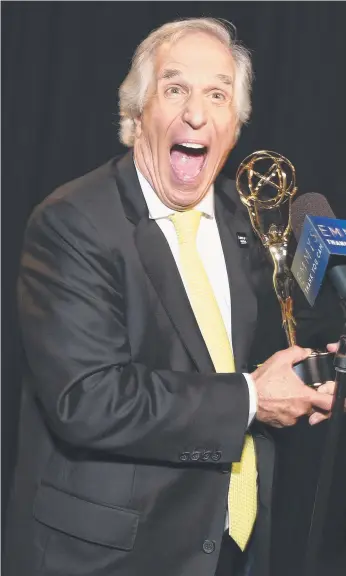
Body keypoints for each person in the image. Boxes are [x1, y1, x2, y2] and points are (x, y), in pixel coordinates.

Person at [3, 17, 342, 576]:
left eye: (218, 93)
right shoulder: (73, 222)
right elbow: (89, 399)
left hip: (231, 549)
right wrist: (253, 400)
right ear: (138, 114)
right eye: (175, 88)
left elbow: (283, 328)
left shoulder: (244, 217)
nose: (196, 112)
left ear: (235, 126)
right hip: (110, 558)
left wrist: (326, 365)